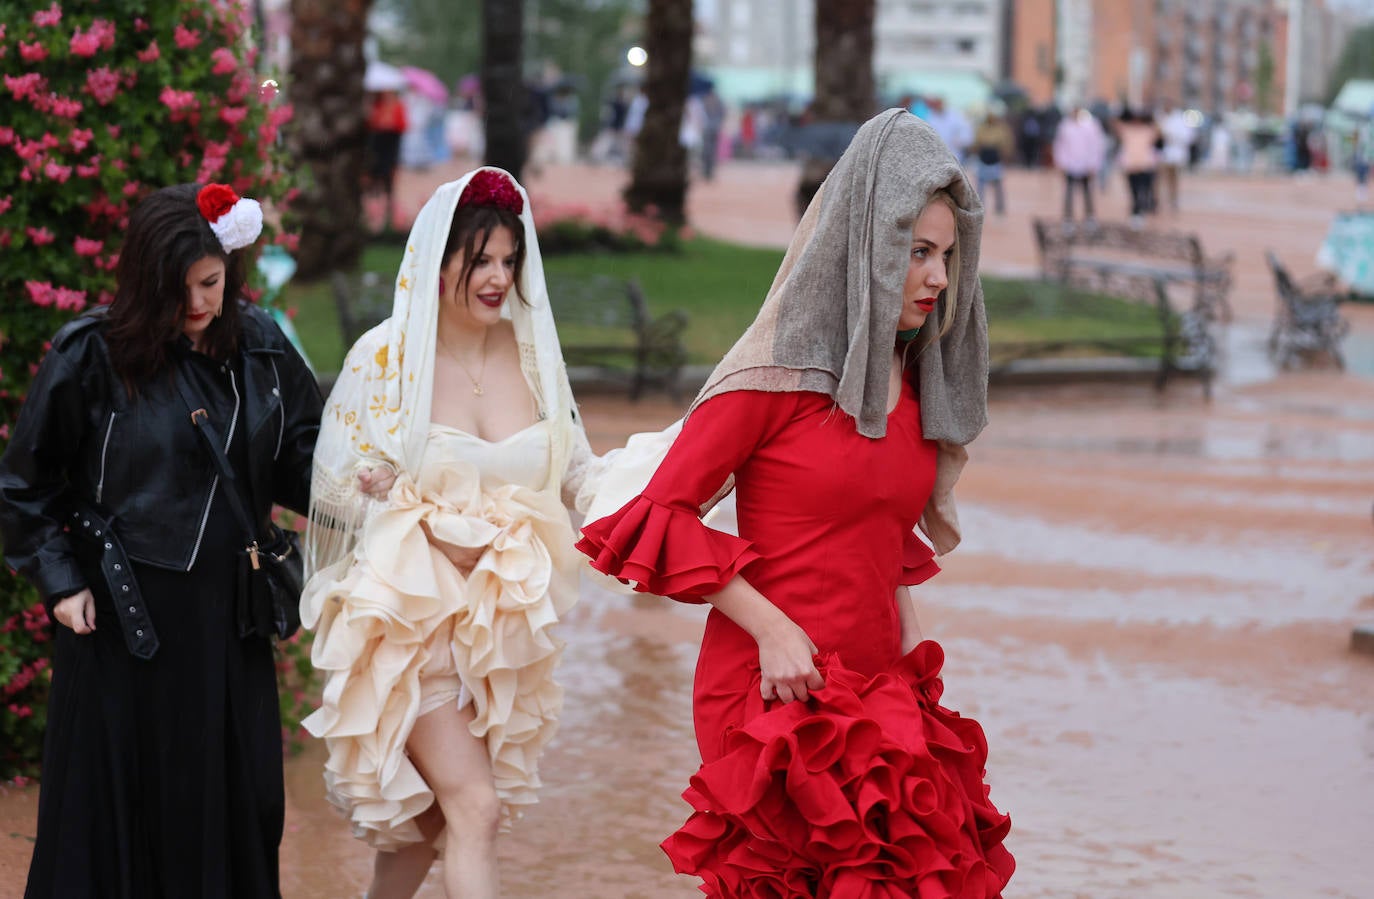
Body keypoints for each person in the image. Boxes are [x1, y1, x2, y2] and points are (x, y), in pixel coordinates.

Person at [576, 109, 1014, 897]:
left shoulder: (912, 385)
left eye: (947, 255)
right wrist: (773, 629)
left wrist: (912, 649)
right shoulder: (773, 379)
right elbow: (659, 514)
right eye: (918, 252)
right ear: (866, 247)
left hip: (879, 691)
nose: (939, 278)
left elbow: (882, 530)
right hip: (772, 691)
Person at [0, 182, 322, 897]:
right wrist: (61, 581)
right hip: (124, 625)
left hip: (229, 625)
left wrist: (355, 478)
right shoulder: (92, 354)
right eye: (179, 288)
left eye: (210, 283)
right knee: (118, 819)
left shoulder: (263, 346)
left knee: (240, 805)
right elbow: (24, 481)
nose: (197, 303)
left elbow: (303, 457)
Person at [300, 167, 607, 899]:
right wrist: (404, 506)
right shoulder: (386, 359)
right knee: (476, 806)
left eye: (509, 260)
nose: (498, 278)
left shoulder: (533, 358)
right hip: (415, 627)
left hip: (500, 632)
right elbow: (336, 493)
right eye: (481, 261)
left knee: (434, 819)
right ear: (438, 265)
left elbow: (578, 472)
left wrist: (659, 494)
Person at [1053, 105, 1107, 223]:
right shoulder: (1065, 126)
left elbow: (1096, 145)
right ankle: (1068, 217)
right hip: (1070, 165)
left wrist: (1093, 164)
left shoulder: (1091, 125)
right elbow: (1060, 146)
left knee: (1087, 192)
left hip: (1086, 165)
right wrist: (1062, 163)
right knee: (1069, 192)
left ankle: (1090, 216)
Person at [1115, 106, 1161, 226]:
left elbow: (1158, 131)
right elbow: (1115, 124)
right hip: (1131, 166)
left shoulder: (1148, 130)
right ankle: (1136, 212)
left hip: (1145, 165)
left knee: (1144, 189)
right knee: (1134, 190)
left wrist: (1151, 118)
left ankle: (1142, 210)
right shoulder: (1127, 130)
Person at [973, 109, 1016, 216]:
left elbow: (1007, 142)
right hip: (983, 159)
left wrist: (1006, 154)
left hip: (996, 159)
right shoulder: (981, 128)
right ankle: (979, 207)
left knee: (998, 186)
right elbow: (977, 143)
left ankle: (1000, 208)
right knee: (980, 186)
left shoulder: (1002, 128)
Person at [1158, 103, 1196, 213]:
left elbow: (1188, 137)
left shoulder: (1179, 119)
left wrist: (1169, 135)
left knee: (1174, 179)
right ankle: (1161, 200)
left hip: (1176, 154)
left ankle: (1173, 200)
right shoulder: (1161, 117)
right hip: (1164, 154)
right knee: (1161, 179)